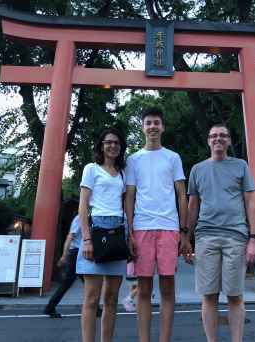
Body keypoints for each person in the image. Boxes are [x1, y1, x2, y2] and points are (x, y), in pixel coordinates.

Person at [182, 123, 255, 342]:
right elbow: (192, 206)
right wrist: (186, 237)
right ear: (208, 140)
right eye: (214, 135)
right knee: (209, 295)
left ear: (229, 140)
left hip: (236, 235)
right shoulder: (197, 169)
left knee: (235, 295)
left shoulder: (240, 166)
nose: (218, 139)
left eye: (223, 135)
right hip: (206, 237)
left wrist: (254, 238)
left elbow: (250, 203)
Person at [125, 107, 188, 342]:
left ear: (162, 127)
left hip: (169, 227)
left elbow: (181, 194)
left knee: (168, 288)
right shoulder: (133, 159)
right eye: (148, 123)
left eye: (156, 123)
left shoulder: (173, 157)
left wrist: (183, 231)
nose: (152, 126)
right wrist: (129, 230)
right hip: (141, 227)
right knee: (143, 289)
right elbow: (129, 196)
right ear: (142, 127)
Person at [76, 128, 127, 342]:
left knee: (112, 298)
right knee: (91, 298)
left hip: (117, 231)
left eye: (116, 142)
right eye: (108, 142)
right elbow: (83, 205)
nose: (112, 146)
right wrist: (86, 238)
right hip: (96, 230)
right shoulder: (92, 169)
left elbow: (126, 204)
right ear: (101, 145)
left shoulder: (123, 172)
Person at [43, 215, 82, 318]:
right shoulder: (80, 218)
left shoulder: (88, 217)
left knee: (88, 282)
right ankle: (50, 307)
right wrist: (64, 256)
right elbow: (70, 236)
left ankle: (96, 308)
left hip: (80, 253)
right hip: (76, 253)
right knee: (68, 282)